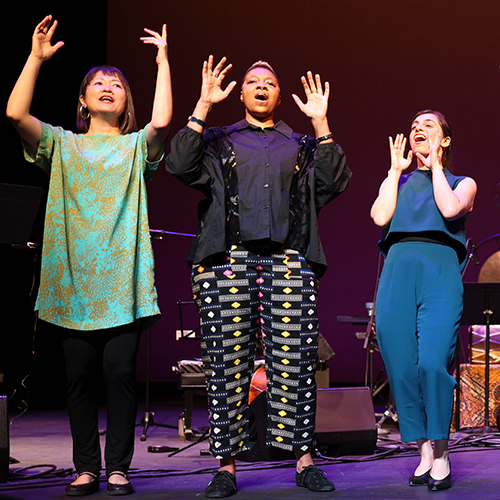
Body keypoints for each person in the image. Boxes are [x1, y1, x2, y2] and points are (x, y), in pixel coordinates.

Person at [166, 55, 351, 497]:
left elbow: (335, 181)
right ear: (242, 93)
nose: (261, 86)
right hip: (227, 262)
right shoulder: (218, 140)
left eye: (269, 81)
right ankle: (226, 467)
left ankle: (303, 462)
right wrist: (202, 106)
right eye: (253, 81)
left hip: (288, 260)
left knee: (297, 364)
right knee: (227, 365)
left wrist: (322, 123)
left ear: (279, 93)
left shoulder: (302, 145)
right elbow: (178, 165)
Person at [6, 15, 172, 496]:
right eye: (97, 83)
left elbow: (162, 121)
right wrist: (35, 59)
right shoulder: (61, 143)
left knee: (119, 374)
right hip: (72, 283)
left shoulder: (137, 147)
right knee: (77, 378)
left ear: (125, 102)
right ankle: (86, 468)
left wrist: (162, 61)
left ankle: (117, 467)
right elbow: (16, 115)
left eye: (116, 84)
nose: (106, 87)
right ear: (82, 100)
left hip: (121, 285)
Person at [371, 110, 477, 491]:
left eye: (428, 126)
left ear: (445, 140)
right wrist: (394, 172)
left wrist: (434, 167)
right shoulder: (399, 182)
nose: (418, 129)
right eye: (414, 126)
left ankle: (443, 451)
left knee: (433, 363)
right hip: (398, 272)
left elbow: (449, 209)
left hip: (439, 273)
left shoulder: (462, 183)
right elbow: (379, 215)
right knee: (400, 366)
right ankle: (423, 451)